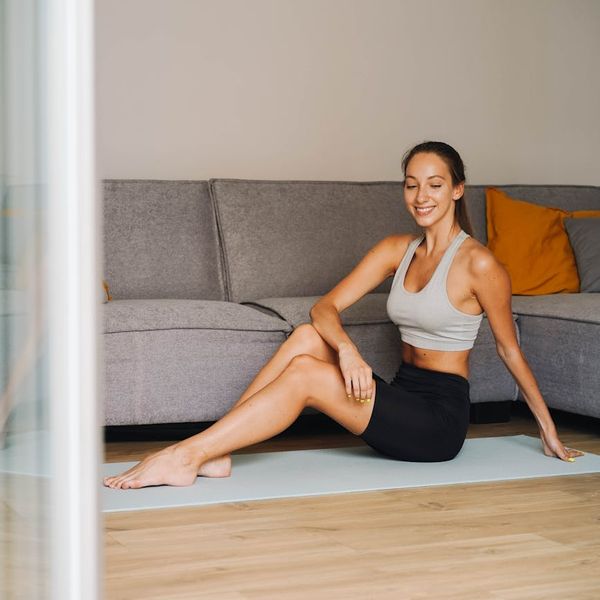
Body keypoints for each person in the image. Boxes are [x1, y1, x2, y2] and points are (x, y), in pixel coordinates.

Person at [103, 141, 584, 490]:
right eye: (412, 185)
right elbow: (324, 307)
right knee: (310, 337)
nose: (422, 196)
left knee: (307, 375)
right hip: (400, 397)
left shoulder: (480, 265)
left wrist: (547, 430)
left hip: (437, 423)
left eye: (435, 185)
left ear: (458, 190)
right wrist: (348, 351)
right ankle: (217, 453)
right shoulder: (398, 250)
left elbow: (508, 349)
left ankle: (187, 454)